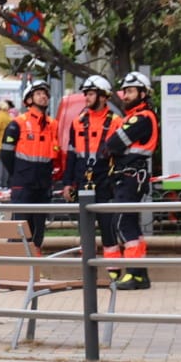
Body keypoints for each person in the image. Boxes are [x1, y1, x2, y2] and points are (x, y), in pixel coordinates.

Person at [63, 75, 123, 276]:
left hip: (106, 181)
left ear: (103, 97)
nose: (86, 98)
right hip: (83, 180)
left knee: (108, 228)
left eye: (90, 94)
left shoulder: (116, 122)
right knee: (85, 231)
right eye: (85, 94)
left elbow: (122, 155)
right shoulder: (78, 122)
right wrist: (67, 183)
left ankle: (113, 270)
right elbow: (71, 155)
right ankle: (88, 271)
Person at [105, 70, 160, 289]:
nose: (125, 96)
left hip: (131, 176)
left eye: (130, 91)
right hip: (126, 176)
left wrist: (114, 144)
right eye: (124, 91)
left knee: (122, 222)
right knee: (129, 223)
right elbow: (113, 144)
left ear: (143, 93)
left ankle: (134, 272)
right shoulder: (133, 117)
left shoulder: (142, 118)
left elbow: (113, 145)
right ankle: (140, 275)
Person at [0, 79, 62, 249]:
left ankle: (34, 270)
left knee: (38, 233)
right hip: (23, 185)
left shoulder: (53, 125)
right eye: (38, 94)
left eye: (45, 94)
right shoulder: (18, 123)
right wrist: (19, 173)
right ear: (28, 100)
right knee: (20, 230)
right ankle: (15, 270)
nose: (43, 97)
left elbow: (56, 154)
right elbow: (6, 154)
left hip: (43, 185)